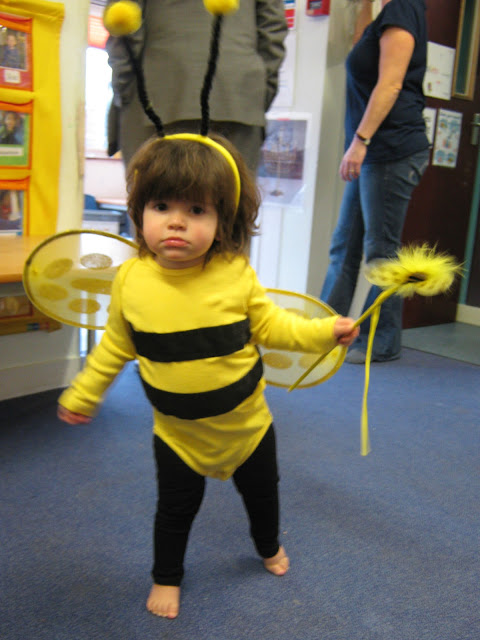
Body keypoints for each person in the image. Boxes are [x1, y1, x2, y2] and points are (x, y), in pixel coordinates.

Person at [57, 132, 359, 620]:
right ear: (139, 212)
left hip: (248, 427)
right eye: (161, 205)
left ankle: (267, 545)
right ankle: (166, 577)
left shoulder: (235, 273)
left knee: (263, 495)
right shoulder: (131, 281)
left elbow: (272, 325)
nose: (175, 221)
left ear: (223, 222)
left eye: (196, 210)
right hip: (178, 435)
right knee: (175, 510)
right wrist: (84, 393)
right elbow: (115, 346)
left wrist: (325, 332)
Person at [320, 0, 430, 363]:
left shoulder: (403, 7)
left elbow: (392, 83)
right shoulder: (381, 12)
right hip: (373, 150)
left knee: (381, 253)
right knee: (343, 247)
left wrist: (360, 141)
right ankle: (324, 331)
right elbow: (358, 54)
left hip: (391, 147)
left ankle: (382, 340)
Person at [105, 0, 287, 173]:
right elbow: (272, 28)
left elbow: (124, 20)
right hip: (239, 95)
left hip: (156, 91)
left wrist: (126, 92)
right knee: (233, 201)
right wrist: (259, 91)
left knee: (155, 198)